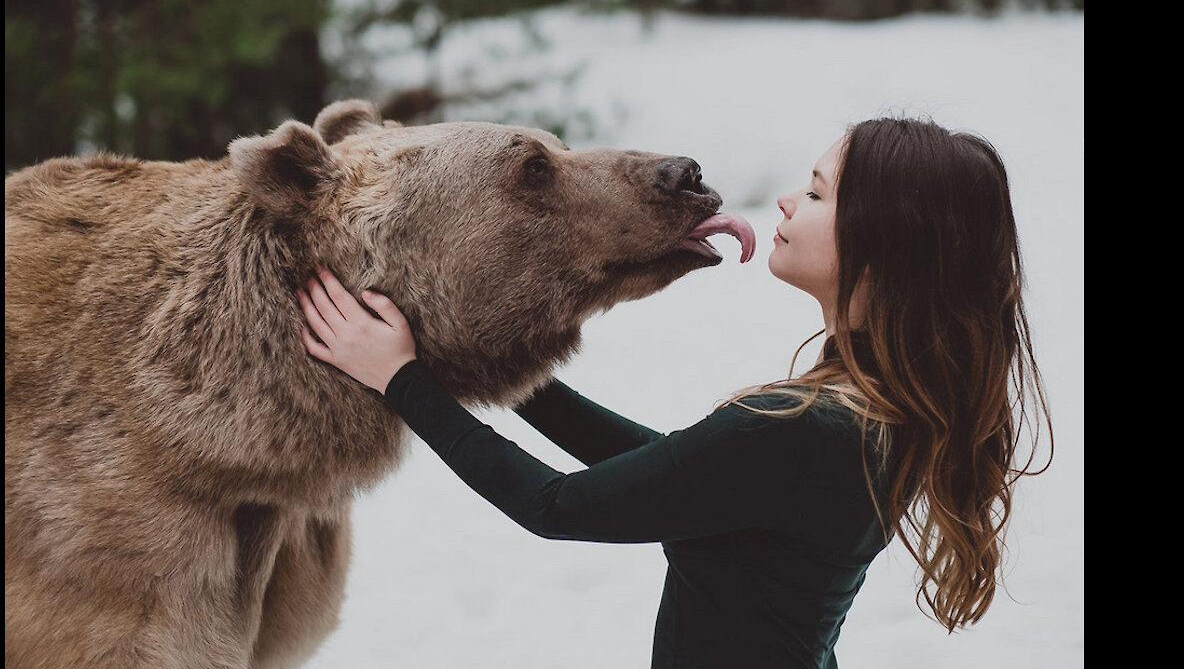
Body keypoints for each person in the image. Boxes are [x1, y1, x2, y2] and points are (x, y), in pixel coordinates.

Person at [295, 116, 1053, 668]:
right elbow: (676, 473)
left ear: (884, 248)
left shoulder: (801, 429)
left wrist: (403, 382)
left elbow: (554, 505)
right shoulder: (875, 412)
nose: (787, 202)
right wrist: (492, 369)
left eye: (818, 195)